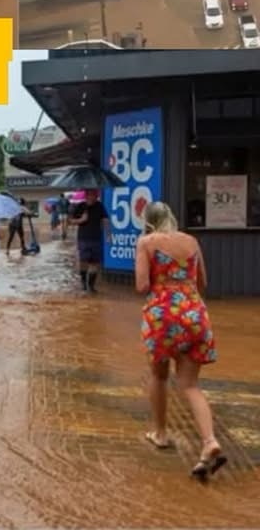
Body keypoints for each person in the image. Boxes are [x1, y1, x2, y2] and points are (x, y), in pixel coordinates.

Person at [135, 201, 225, 478]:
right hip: (194, 313)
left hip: (163, 316)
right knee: (190, 385)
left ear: (148, 221)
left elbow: (142, 286)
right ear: (171, 217)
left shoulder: (146, 242)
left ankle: (160, 433)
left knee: (159, 376)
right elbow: (202, 283)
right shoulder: (191, 241)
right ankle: (210, 441)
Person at [69, 189, 109, 292]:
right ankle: (83, 283)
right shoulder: (80, 206)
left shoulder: (100, 206)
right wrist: (81, 220)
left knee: (95, 263)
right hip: (83, 238)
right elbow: (71, 221)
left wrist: (108, 234)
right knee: (83, 261)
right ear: (86, 196)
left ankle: (91, 285)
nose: (94, 197)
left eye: (95, 195)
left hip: (96, 238)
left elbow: (105, 220)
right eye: (91, 195)